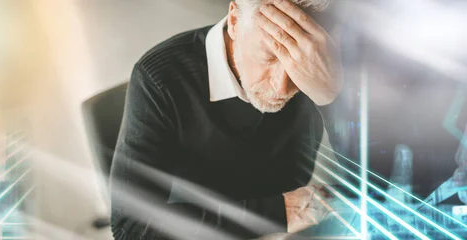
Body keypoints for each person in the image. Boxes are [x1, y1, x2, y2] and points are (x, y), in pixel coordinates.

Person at [110, 0, 342, 239]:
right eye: (269, 57)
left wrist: (333, 98)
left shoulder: (323, 61)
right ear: (234, 21)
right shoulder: (160, 78)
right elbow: (130, 226)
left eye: (298, 64)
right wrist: (282, 212)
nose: (282, 87)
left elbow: (378, 182)